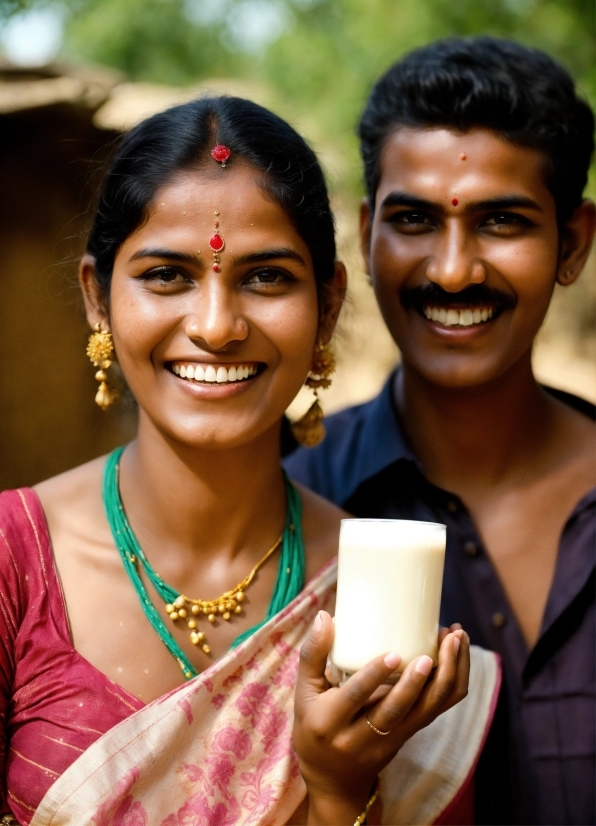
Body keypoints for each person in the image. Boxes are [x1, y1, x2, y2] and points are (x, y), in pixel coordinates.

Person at [0, 95, 498, 826]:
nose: (215, 326)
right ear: (97, 298)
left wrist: (339, 791)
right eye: (167, 275)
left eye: (265, 278)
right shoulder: (14, 559)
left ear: (327, 307)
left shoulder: (383, 600)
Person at [285, 37, 596, 826]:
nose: (453, 270)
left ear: (573, 242)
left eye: (501, 221)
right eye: (415, 219)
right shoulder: (287, 501)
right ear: (366, 235)